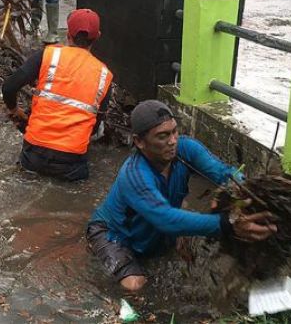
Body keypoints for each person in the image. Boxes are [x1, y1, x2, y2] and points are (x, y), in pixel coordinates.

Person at [86, 100, 278, 291]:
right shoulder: (134, 175)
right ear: (139, 142)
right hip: (113, 235)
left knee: (182, 221)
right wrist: (228, 223)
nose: (172, 141)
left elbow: (223, 173)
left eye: (174, 131)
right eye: (162, 136)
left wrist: (250, 191)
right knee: (136, 286)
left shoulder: (186, 149)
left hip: (154, 226)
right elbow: (166, 219)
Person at [2, 9, 113, 181]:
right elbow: (95, 124)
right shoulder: (105, 75)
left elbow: (9, 87)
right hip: (71, 162)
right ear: (97, 37)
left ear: (68, 34)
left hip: (34, 153)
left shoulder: (49, 54)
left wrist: (14, 110)